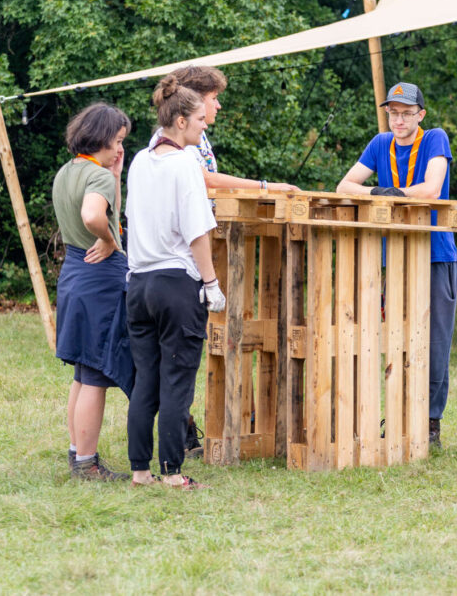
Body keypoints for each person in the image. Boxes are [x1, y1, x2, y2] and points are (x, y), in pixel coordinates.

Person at [146, 65, 298, 458]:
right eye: (213, 99)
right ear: (193, 102)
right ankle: (185, 433)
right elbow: (207, 181)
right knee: (185, 348)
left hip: (192, 252)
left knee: (193, 346)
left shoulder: (192, 136)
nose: (218, 106)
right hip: (185, 256)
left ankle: (197, 426)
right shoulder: (176, 141)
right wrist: (267, 187)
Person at [336, 82, 457, 449]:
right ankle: (399, 414)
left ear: (421, 115)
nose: (399, 120)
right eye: (393, 113)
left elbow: (432, 189)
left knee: (435, 341)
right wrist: (378, 192)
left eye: (407, 113)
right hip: (395, 257)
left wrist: (396, 194)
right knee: (397, 337)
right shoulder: (380, 144)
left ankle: (430, 422)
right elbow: (345, 186)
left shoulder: (435, 138)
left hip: (435, 254)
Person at [125, 74, 226, 489]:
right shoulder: (185, 163)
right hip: (175, 284)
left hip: (138, 284)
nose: (204, 127)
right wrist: (211, 284)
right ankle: (172, 473)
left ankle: (140, 470)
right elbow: (197, 231)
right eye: (200, 120)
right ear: (181, 121)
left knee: (145, 381)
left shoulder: (139, 160)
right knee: (177, 381)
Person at [52, 102, 134, 481]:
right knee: (97, 375)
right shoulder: (96, 178)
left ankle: (77, 455)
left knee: (83, 373)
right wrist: (110, 239)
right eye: (117, 141)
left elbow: (97, 211)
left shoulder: (68, 171)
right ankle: (88, 465)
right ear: (100, 137)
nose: (120, 149)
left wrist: (115, 176)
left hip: (73, 273)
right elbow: (92, 215)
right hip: (99, 279)